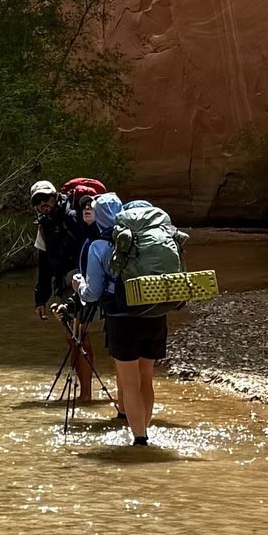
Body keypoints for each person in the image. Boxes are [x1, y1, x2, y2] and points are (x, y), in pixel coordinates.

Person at [75, 191, 176, 446]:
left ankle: (140, 439)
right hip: (154, 312)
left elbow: (93, 293)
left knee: (129, 384)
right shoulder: (143, 241)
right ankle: (144, 428)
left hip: (121, 319)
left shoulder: (99, 247)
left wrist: (78, 286)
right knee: (146, 378)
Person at [31, 177, 96, 400]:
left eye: (45, 198)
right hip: (63, 285)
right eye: (37, 200)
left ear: (55, 196)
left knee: (79, 338)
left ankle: (85, 394)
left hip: (80, 283)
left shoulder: (70, 216)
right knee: (74, 338)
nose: (42, 203)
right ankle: (83, 391)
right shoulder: (44, 224)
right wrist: (41, 299)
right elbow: (44, 263)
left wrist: (86, 281)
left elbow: (91, 246)